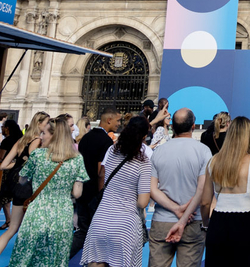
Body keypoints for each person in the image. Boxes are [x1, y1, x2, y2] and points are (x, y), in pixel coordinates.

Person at [9, 118, 88, 267]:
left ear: (53, 135)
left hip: (37, 211)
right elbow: (77, 193)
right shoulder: (77, 159)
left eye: (43, 133)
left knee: (26, 255)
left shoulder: (38, 155)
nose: (41, 136)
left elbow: (22, 180)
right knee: (55, 258)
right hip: (62, 215)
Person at [82, 115, 151, 267]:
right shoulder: (144, 161)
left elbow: (102, 173)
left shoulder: (112, 151)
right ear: (144, 136)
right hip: (125, 224)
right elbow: (142, 202)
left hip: (101, 219)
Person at [0, 112, 51, 267]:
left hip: (16, 186)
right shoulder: (38, 141)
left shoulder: (22, 140)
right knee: (32, 230)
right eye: (47, 123)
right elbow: (36, 167)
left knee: (12, 229)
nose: (49, 126)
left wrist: (17, 164)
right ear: (40, 123)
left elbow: (2, 165)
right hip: (30, 189)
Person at [201, 116, 250, 263]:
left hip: (218, 221)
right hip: (246, 223)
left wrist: (206, 224)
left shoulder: (213, 161)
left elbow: (205, 202)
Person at [149, 109, 210, 267]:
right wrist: (182, 215)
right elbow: (202, 190)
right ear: (193, 126)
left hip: (162, 220)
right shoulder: (203, 151)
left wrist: (176, 209)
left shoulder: (159, 152)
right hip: (192, 221)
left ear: (172, 127)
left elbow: (153, 189)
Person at [71, 107, 120, 256]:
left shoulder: (86, 137)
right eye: (118, 120)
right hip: (94, 194)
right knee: (98, 234)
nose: (119, 124)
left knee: (82, 231)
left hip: (82, 190)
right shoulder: (105, 141)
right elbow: (102, 171)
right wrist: (102, 195)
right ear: (109, 120)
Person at [0, 119, 23, 226]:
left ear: (7, 128)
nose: (1, 129)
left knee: (2, 196)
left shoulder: (7, 141)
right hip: (17, 170)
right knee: (2, 196)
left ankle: (8, 220)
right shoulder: (20, 140)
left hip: (5, 172)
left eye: (3, 127)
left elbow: (0, 157)